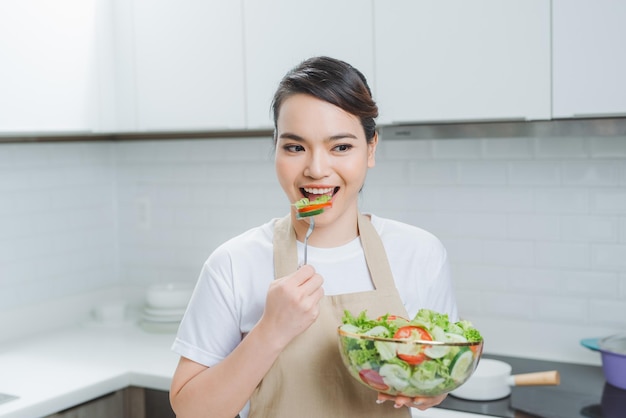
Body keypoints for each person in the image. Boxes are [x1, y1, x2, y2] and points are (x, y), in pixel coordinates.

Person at [169, 56, 458, 418]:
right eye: (295, 147)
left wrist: (429, 390)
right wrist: (270, 331)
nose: (317, 169)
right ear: (275, 149)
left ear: (370, 149)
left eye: (340, 147)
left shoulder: (419, 253)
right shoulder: (233, 263)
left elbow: (440, 371)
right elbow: (191, 411)